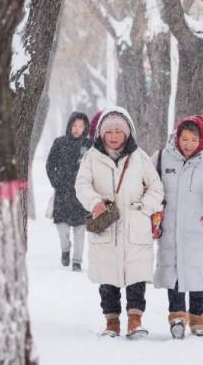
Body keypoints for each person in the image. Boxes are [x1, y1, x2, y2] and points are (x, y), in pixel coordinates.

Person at [75, 106, 164, 338]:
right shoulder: (91, 158)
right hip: (106, 225)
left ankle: (135, 321)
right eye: (109, 132)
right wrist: (94, 201)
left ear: (128, 133)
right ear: (101, 134)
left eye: (119, 131)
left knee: (136, 277)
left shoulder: (140, 158)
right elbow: (81, 185)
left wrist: (144, 209)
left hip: (135, 226)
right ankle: (111, 322)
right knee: (108, 278)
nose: (114, 136)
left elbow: (157, 188)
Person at [153, 115, 203, 339]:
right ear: (177, 137)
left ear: (202, 139)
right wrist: (152, 219)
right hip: (171, 228)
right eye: (184, 139)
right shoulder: (162, 158)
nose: (188, 144)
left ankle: (196, 315)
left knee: (198, 272)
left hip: (200, 228)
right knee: (172, 269)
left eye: (194, 140)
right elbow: (149, 188)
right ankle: (176, 315)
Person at [46, 111, 91, 272]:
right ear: (69, 126)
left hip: (81, 195)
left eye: (81, 126)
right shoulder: (59, 143)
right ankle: (65, 249)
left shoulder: (89, 146)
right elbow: (50, 164)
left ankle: (77, 261)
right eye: (75, 125)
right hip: (63, 193)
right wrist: (56, 182)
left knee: (80, 230)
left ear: (85, 128)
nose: (77, 129)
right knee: (62, 229)